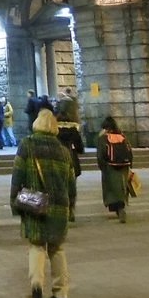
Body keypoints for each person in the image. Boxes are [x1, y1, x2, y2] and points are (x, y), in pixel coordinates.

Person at [10, 109, 76, 298]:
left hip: (35, 205)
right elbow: (71, 184)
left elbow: (17, 176)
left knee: (36, 246)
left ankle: (37, 285)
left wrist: (15, 201)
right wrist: (70, 208)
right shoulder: (64, 151)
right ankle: (61, 292)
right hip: (59, 206)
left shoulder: (27, 145)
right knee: (57, 248)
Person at [54, 88, 85, 221]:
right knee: (71, 185)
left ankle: (61, 209)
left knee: (58, 185)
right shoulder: (73, 129)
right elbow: (80, 148)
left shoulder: (54, 129)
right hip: (71, 159)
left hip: (57, 159)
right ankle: (71, 208)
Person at [97, 116, 132, 223]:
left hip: (110, 166)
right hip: (124, 165)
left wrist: (102, 166)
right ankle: (121, 207)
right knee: (122, 187)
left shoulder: (103, 138)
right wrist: (130, 165)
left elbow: (100, 155)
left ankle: (118, 209)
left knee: (111, 188)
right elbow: (129, 151)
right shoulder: (122, 136)